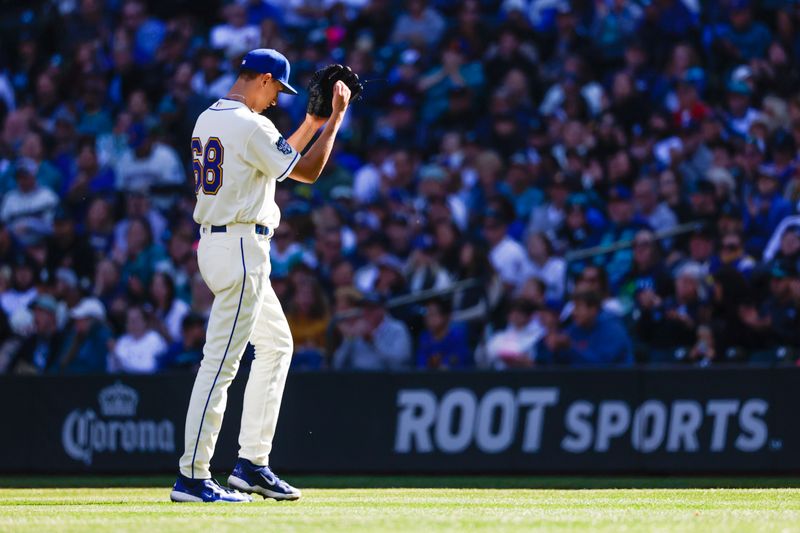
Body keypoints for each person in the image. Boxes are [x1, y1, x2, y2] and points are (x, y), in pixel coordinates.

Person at [172, 49, 353, 503]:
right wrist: (334, 120)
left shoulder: (209, 117)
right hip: (240, 246)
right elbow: (306, 171)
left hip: (220, 243)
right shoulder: (251, 125)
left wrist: (310, 123)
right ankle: (193, 477)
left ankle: (252, 464)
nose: (276, 100)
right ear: (264, 78)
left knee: (276, 344)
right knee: (220, 364)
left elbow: (276, 156)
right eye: (276, 89)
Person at [331, 292, 412, 370]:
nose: (367, 312)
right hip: (357, 379)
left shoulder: (397, 329)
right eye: (364, 308)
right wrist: (349, 339)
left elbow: (400, 362)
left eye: (371, 308)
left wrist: (372, 342)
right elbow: (337, 364)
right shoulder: (358, 328)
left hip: (386, 379)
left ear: (383, 309)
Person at [416, 298, 470, 369]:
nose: (428, 318)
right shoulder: (425, 337)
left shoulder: (457, 337)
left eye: (433, 314)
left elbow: (451, 365)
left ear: (446, 316)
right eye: (427, 314)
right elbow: (421, 366)